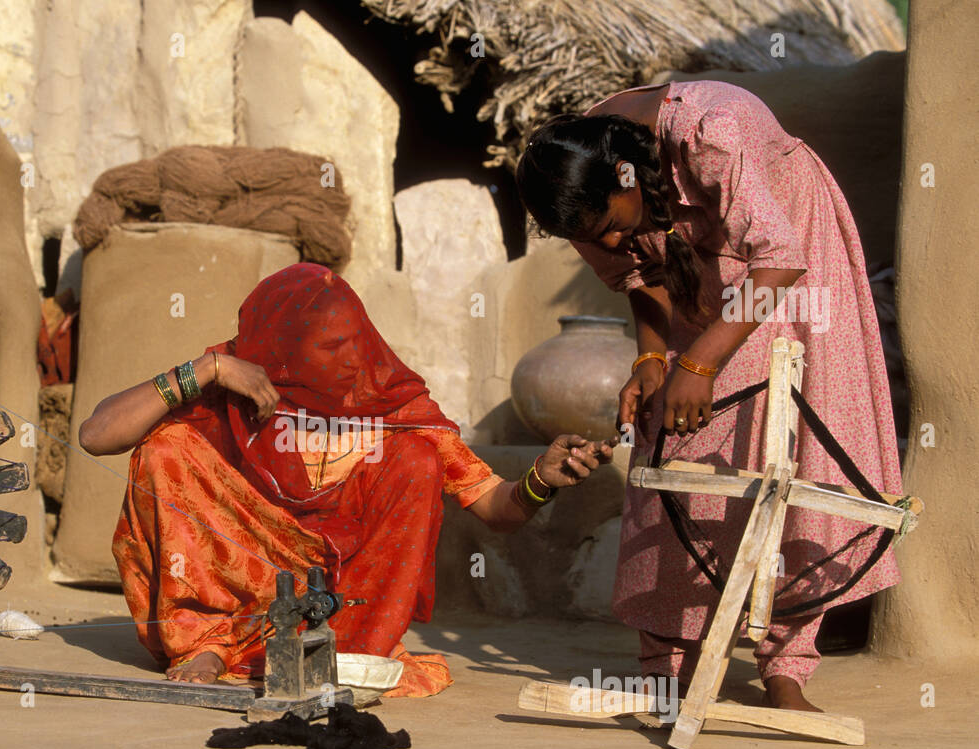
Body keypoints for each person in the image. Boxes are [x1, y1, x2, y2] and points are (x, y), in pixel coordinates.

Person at [515, 80, 902, 712]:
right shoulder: (576, 176)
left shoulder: (716, 132)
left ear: (628, 174)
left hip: (790, 259)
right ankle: (667, 662)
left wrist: (697, 359)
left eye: (611, 227)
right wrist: (652, 359)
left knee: (791, 442)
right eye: (594, 239)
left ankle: (786, 666)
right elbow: (641, 273)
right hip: (703, 273)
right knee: (674, 439)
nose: (609, 244)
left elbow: (778, 261)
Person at [79, 262, 614, 696]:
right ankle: (208, 642)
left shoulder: (391, 405)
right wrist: (209, 369)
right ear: (282, 349)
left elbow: (498, 508)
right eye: (330, 348)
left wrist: (540, 481)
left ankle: (351, 650)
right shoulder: (236, 379)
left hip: (333, 604)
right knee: (167, 448)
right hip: (239, 586)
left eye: (355, 341)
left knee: (414, 459)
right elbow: (97, 435)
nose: (351, 360)